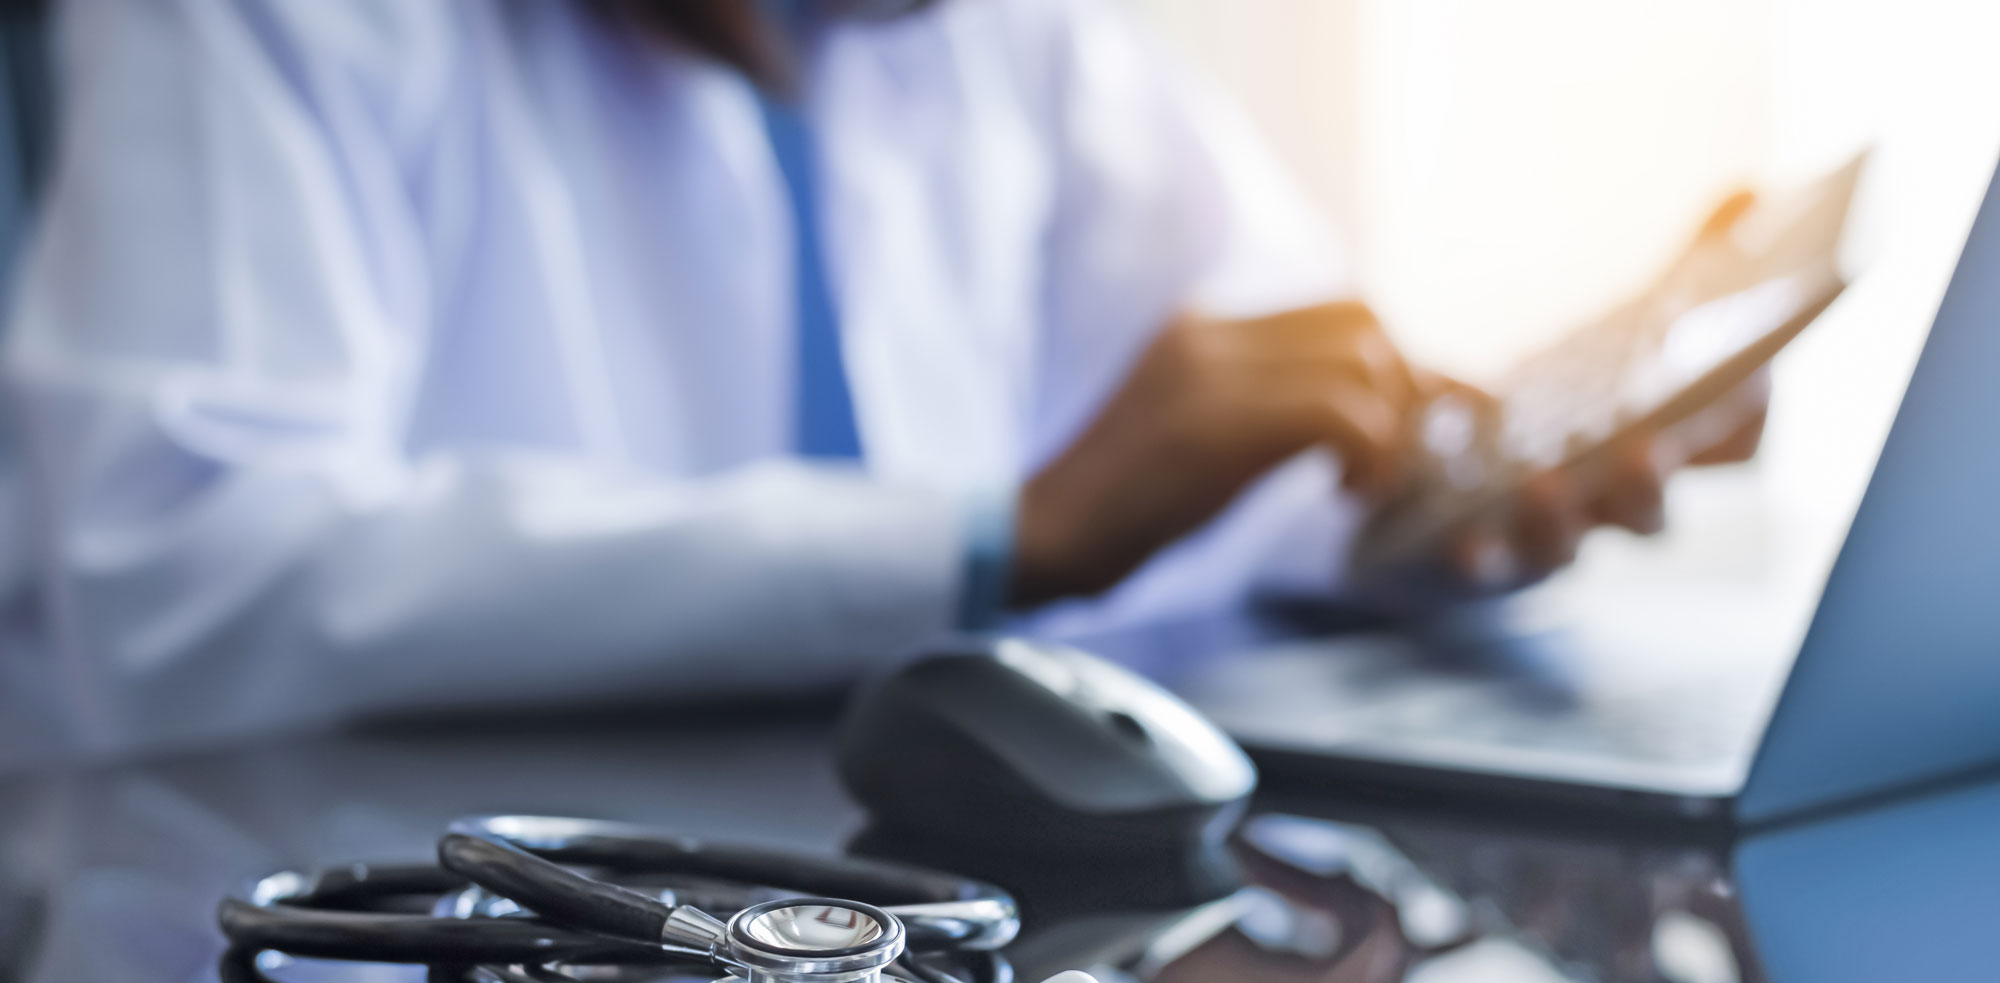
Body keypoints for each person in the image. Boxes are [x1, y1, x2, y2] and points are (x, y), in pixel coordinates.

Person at [1, 0, 1763, 756]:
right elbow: (181, 572)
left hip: (891, 970)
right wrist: (1003, 534)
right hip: (296, 981)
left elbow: (1253, 448)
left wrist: (1441, 499)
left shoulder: (981, 37)